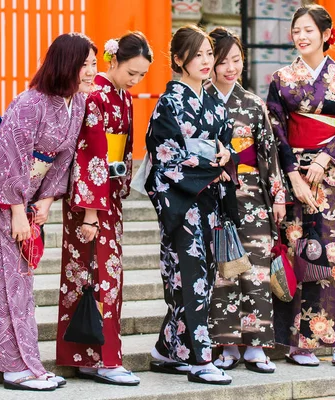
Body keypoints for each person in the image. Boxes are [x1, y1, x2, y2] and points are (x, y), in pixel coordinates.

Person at [0, 32, 97, 391]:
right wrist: (18, 211)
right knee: (2, 283)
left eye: (94, 63)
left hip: (28, 197)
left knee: (19, 282)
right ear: (67, 66)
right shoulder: (31, 103)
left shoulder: (75, 104)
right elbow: (9, 157)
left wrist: (44, 202)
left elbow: (62, 161)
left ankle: (22, 363)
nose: (93, 71)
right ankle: (17, 367)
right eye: (87, 65)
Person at [267, 4, 335, 367]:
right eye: (297, 30)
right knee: (296, 253)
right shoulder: (281, 79)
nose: (301, 36)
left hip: (329, 179)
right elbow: (275, 131)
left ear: (327, 34)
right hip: (296, 178)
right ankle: (298, 342)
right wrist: (292, 174)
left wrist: (326, 159)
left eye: (309, 30)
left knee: (333, 257)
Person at [56, 31, 152, 386]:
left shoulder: (121, 96)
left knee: (93, 276)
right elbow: (91, 153)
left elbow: (120, 149)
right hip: (89, 202)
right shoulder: (94, 96)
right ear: (114, 61)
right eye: (132, 72)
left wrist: (118, 187)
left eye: (142, 75)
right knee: (99, 277)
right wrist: (92, 213)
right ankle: (105, 359)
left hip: (104, 193)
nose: (136, 80)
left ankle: (85, 356)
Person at [143, 25, 237, 385]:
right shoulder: (169, 103)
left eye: (209, 54)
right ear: (179, 59)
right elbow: (164, 158)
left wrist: (225, 157)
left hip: (210, 202)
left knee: (200, 278)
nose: (206, 61)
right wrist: (211, 164)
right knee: (190, 278)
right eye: (197, 55)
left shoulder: (213, 100)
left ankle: (168, 349)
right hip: (183, 203)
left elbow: (225, 146)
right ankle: (200, 359)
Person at [205, 27, 287, 374]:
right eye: (222, 62)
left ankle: (256, 346)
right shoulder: (200, 99)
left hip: (252, 195)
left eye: (236, 60)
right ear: (208, 63)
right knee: (222, 274)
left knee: (255, 271)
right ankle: (226, 344)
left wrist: (278, 197)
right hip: (213, 196)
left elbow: (269, 155)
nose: (230, 68)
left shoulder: (252, 104)